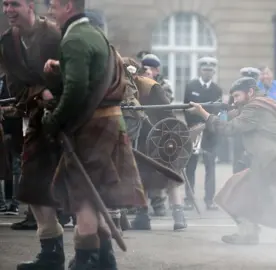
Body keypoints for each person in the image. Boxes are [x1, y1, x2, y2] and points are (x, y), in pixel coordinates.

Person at [45, 1, 147, 268]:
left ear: (68, 6)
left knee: (84, 199)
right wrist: (61, 71)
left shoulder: (75, 39)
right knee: (95, 195)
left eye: (53, 6)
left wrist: (54, 120)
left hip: (91, 129)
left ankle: (85, 260)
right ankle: (104, 259)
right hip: (108, 125)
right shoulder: (95, 33)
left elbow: (77, 90)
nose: (50, 13)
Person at [188, 77, 276, 245]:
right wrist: (210, 120)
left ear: (250, 92)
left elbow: (229, 128)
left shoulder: (254, 108)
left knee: (235, 191)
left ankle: (249, 234)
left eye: (237, 96)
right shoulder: (264, 102)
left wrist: (203, 113)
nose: (235, 100)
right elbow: (236, 116)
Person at [0, 0, 67, 268]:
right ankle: (51, 252)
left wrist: (56, 96)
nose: (8, 11)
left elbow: (73, 75)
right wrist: (39, 94)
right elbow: (14, 85)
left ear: (30, 5)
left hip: (69, 119)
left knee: (82, 188)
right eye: (4, 5)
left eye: (14, 4)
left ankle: (95, 253)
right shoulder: (7, 41)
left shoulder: (54, 34)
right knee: (33, 185)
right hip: (37, 120)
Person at [123, 57, 187, 231]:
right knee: (140, 178)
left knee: (171, 176)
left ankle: (179, 217)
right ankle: (142, 217)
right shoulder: (120, 89)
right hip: (140, 141)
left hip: (161, 139)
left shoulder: (151, 87)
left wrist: (170, 135)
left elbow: (168, 113)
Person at [183, 57, 223, 211]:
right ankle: (189, 199)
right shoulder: (191, 86)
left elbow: (217, 111)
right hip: (193, 130)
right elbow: (186, 108)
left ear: (213, 72)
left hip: (210, 133)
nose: (208, 72)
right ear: (200, 70)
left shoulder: (216, 90)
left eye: (211, 70)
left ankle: (209, 200)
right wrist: (193, 127)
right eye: (205, 70)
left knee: (210, 167)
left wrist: (207, 125)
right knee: (190, 166)